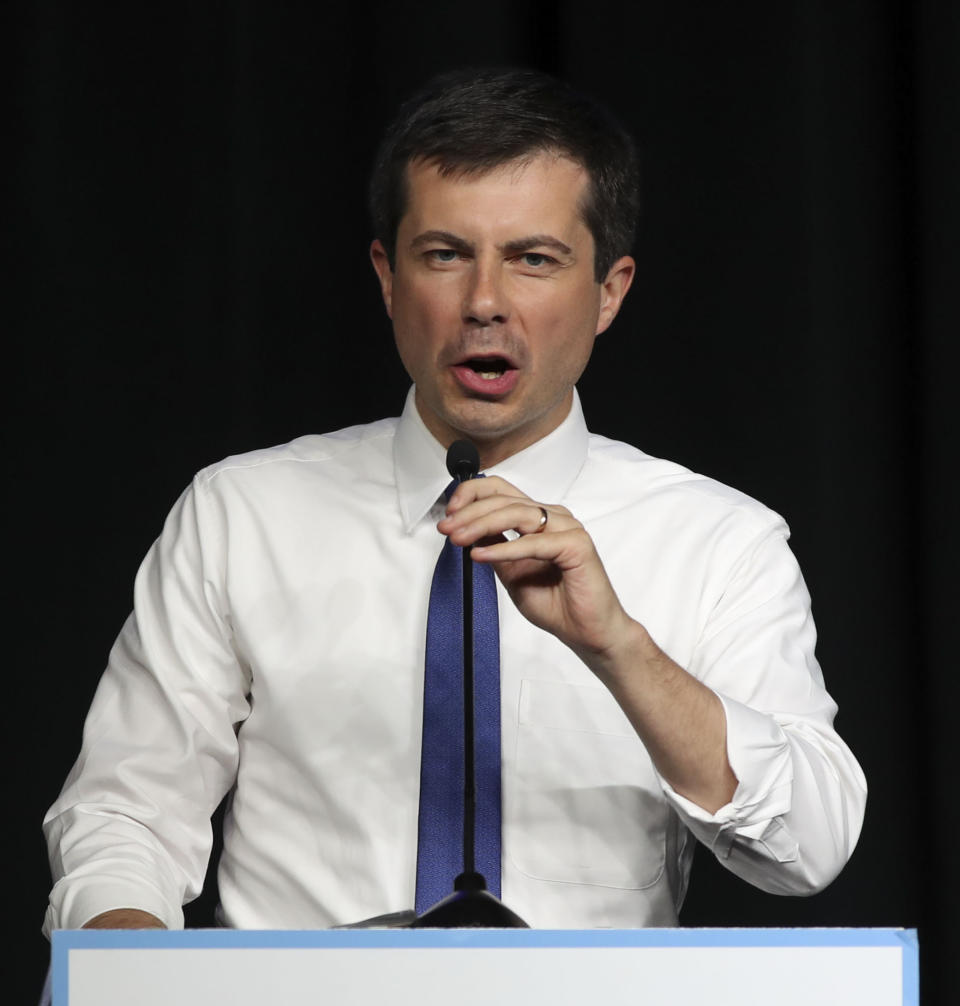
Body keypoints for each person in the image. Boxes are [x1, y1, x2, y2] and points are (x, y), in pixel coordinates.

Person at [42, 68, 865, 934]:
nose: (483, 304)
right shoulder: (239, 515)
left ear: (610, 291)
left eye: (534, 260)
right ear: (388, 277)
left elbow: (808, 847)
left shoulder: (718, 540)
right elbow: (123, 814)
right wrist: (133, 995)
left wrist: (618, 647)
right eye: (444, 254)